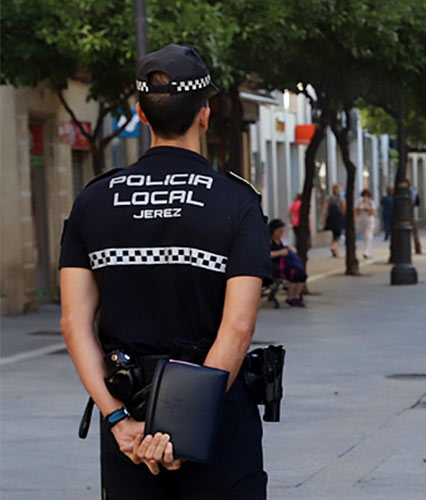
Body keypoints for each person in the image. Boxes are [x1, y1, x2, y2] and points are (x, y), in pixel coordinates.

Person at [59, 44, 270, 498]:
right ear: (205, 114)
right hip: (215, 423)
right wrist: (181, 429)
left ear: (141, 114)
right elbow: (238, 325)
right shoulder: (237, 202)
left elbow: (73, 322)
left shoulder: (93, 200)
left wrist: (117, 419)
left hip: (127, 426)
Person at [269, 219, 307, 307]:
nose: (281, 233)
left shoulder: (282, 239)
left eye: (282, 231)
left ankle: (296, 296)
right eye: (279, 231)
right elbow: (265, 255)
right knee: (294, 273)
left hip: (286, 263)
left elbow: (288, 247)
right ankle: (291, 297)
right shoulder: (269, 241)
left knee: (301, 274)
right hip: (275, 266)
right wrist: (279, 252)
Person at [324, 183, 345, 257]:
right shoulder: (341, 198)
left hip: (331, 217)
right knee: (338, 233)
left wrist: (323, 217)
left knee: (334, 233)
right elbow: (343, 207)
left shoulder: (329, 197)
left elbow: (325, 207)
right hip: (338, 217)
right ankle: (334, 247)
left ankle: (335, 248)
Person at [355, 189, 376, 259]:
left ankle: (366, 251)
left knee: (368, 235)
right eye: (364, 195)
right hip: (361, 220)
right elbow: (356, 211)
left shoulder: (371, 202)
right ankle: (368, 250)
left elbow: (372, 213)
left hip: (369, 220)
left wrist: (367, 208)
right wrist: (354, 220)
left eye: (367, 195)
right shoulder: (359, 202)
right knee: (364, 236)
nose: (365, 197)